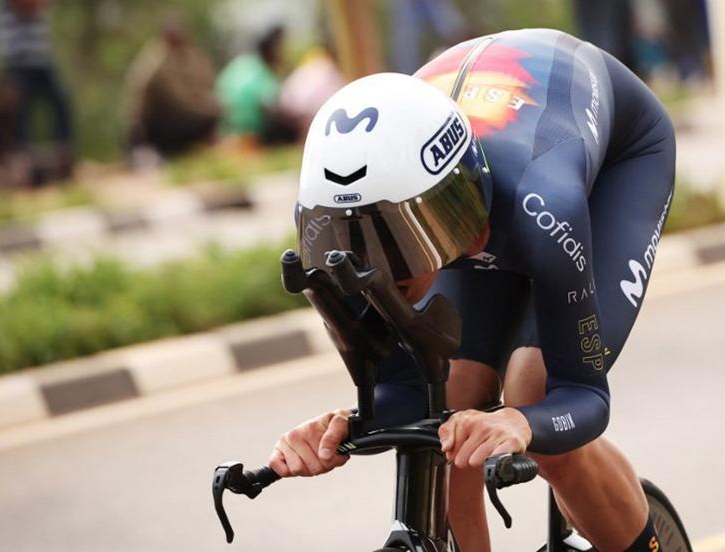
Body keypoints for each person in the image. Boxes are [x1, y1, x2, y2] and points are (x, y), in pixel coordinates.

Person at [272, 29, 675, 552]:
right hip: (487, 170)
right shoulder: (335, 239)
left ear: (450, 207)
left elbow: (583, 397)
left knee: (533, 392)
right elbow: (408, 393)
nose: (378, 271)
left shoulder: (542, 205)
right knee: (451, 403)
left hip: (614, 156)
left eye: (398, 241)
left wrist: (523, 423)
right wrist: (341, 428)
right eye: (356, 243)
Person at [122, 16, 220, 160]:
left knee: (208, 116)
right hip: (148, 126)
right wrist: (208, 110)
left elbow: (205, 83)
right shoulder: (157, 61)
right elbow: (179, 100)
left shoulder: (186, 56)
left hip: (173, 114)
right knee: (202, 120)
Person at [0, 0, 73, 182]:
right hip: (19, 60)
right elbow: (27, 6)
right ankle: (19, 163)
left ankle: (62, 155)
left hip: (40, 59)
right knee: (20, 114)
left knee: (61, 103)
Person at [216, 25, 297, 146]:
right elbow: (269, 106)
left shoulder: (243, 62)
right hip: (252, 129)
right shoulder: (264, 73)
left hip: (226, 125)